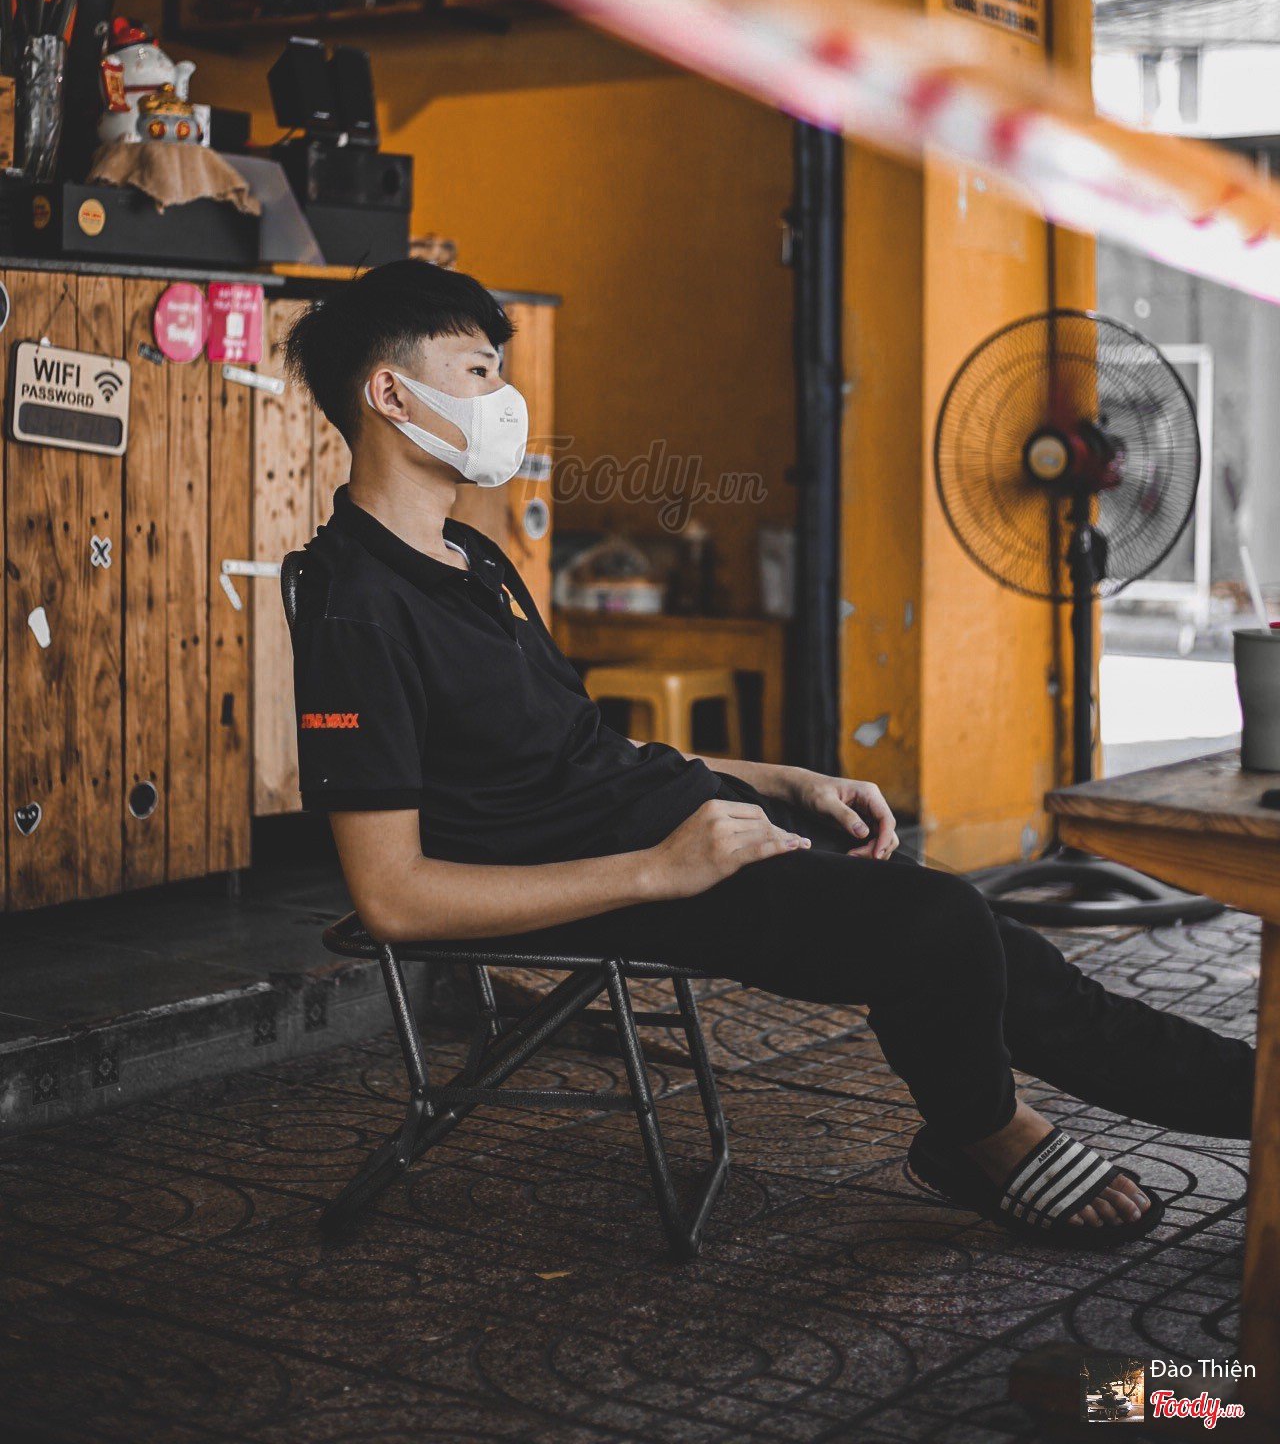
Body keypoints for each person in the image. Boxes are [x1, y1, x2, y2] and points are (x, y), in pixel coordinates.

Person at [283, 260, 1254, 1252]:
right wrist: (660, 870)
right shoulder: (354, 608)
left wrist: (781, 779)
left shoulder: (474, 559)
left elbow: (582, 748)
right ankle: (984, 1134)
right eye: (478, 371)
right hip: (619, 871)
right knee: (938, 927)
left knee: (995, 949)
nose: (505, 398)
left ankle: (1250, 1094)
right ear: (390, 393)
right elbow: (393, 898)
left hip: (671, 826)